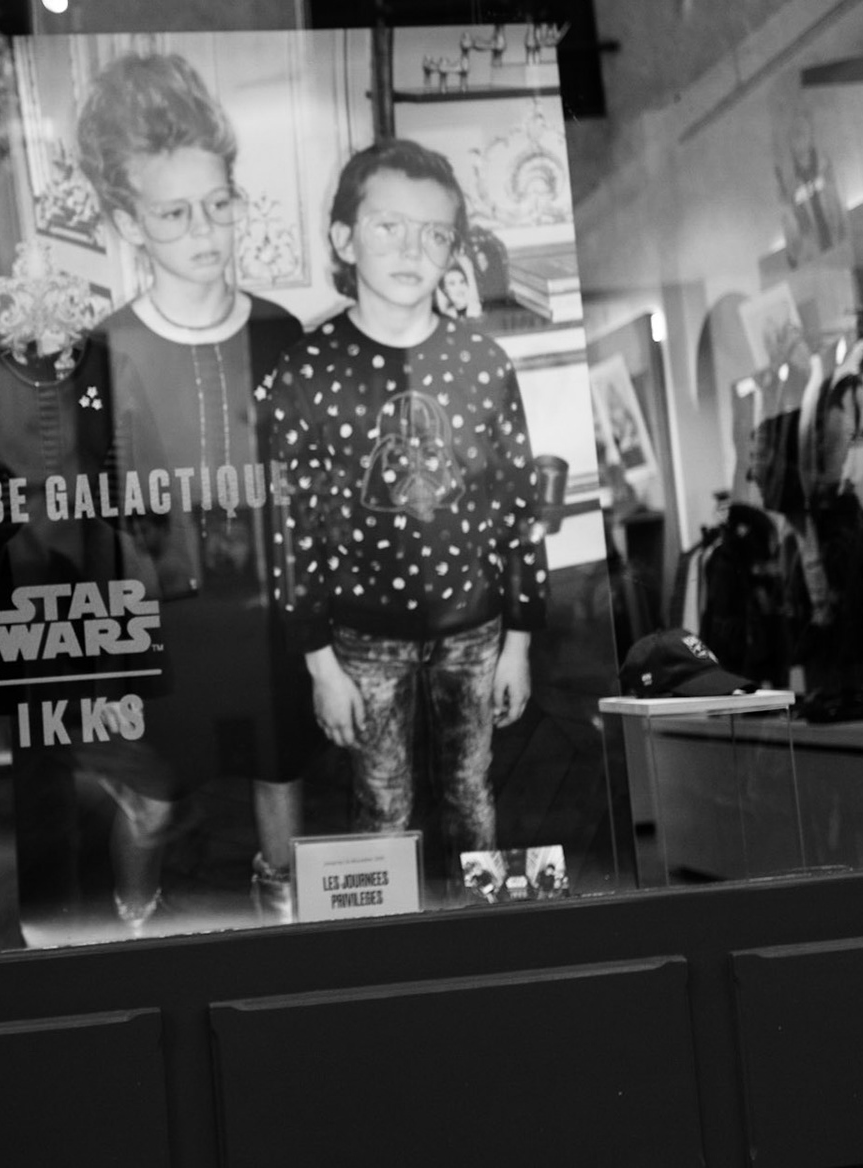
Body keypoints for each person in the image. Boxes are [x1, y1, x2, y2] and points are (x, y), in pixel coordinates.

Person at [74, 51, 319, 931]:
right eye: (175, 214)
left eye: (221, 203)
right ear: (127, 222)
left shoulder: (281, 333)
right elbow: (90, 519)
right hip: (160, 623)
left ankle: (285, 932)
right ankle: (132, 928)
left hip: (270, 610)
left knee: (282, 782)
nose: (207, 231)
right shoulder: (106, 351)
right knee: (150, 808)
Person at [262, 139, 548, 862]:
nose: (410, 248)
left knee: (471, 791)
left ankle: (485, 945)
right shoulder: (305, 371)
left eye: (435, 234)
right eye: (388, 225)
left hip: (475, 630)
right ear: (343, 239)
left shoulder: (484, 366)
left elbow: (518, 510)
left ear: (454, 251)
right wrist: (321, 665)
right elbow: (289, 530)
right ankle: (394, 954)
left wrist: (518, 643)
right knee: (383, 806)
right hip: (362, 639)